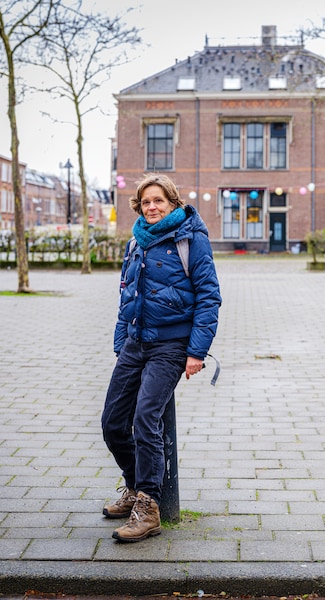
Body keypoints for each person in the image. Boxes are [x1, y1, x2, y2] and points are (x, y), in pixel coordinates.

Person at [101, 173, 221, 543]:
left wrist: (196, 351)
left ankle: (148, 508)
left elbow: (209, 296)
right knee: (112, 423)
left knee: (145, 418)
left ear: (172, 202)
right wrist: (122, 341)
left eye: (159, 201)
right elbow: (126, 295)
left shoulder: (191, 239)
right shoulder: (137, 240)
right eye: (146, 202)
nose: (152, 207)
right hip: (135, 344)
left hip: (170, 347)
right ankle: (135, 487)